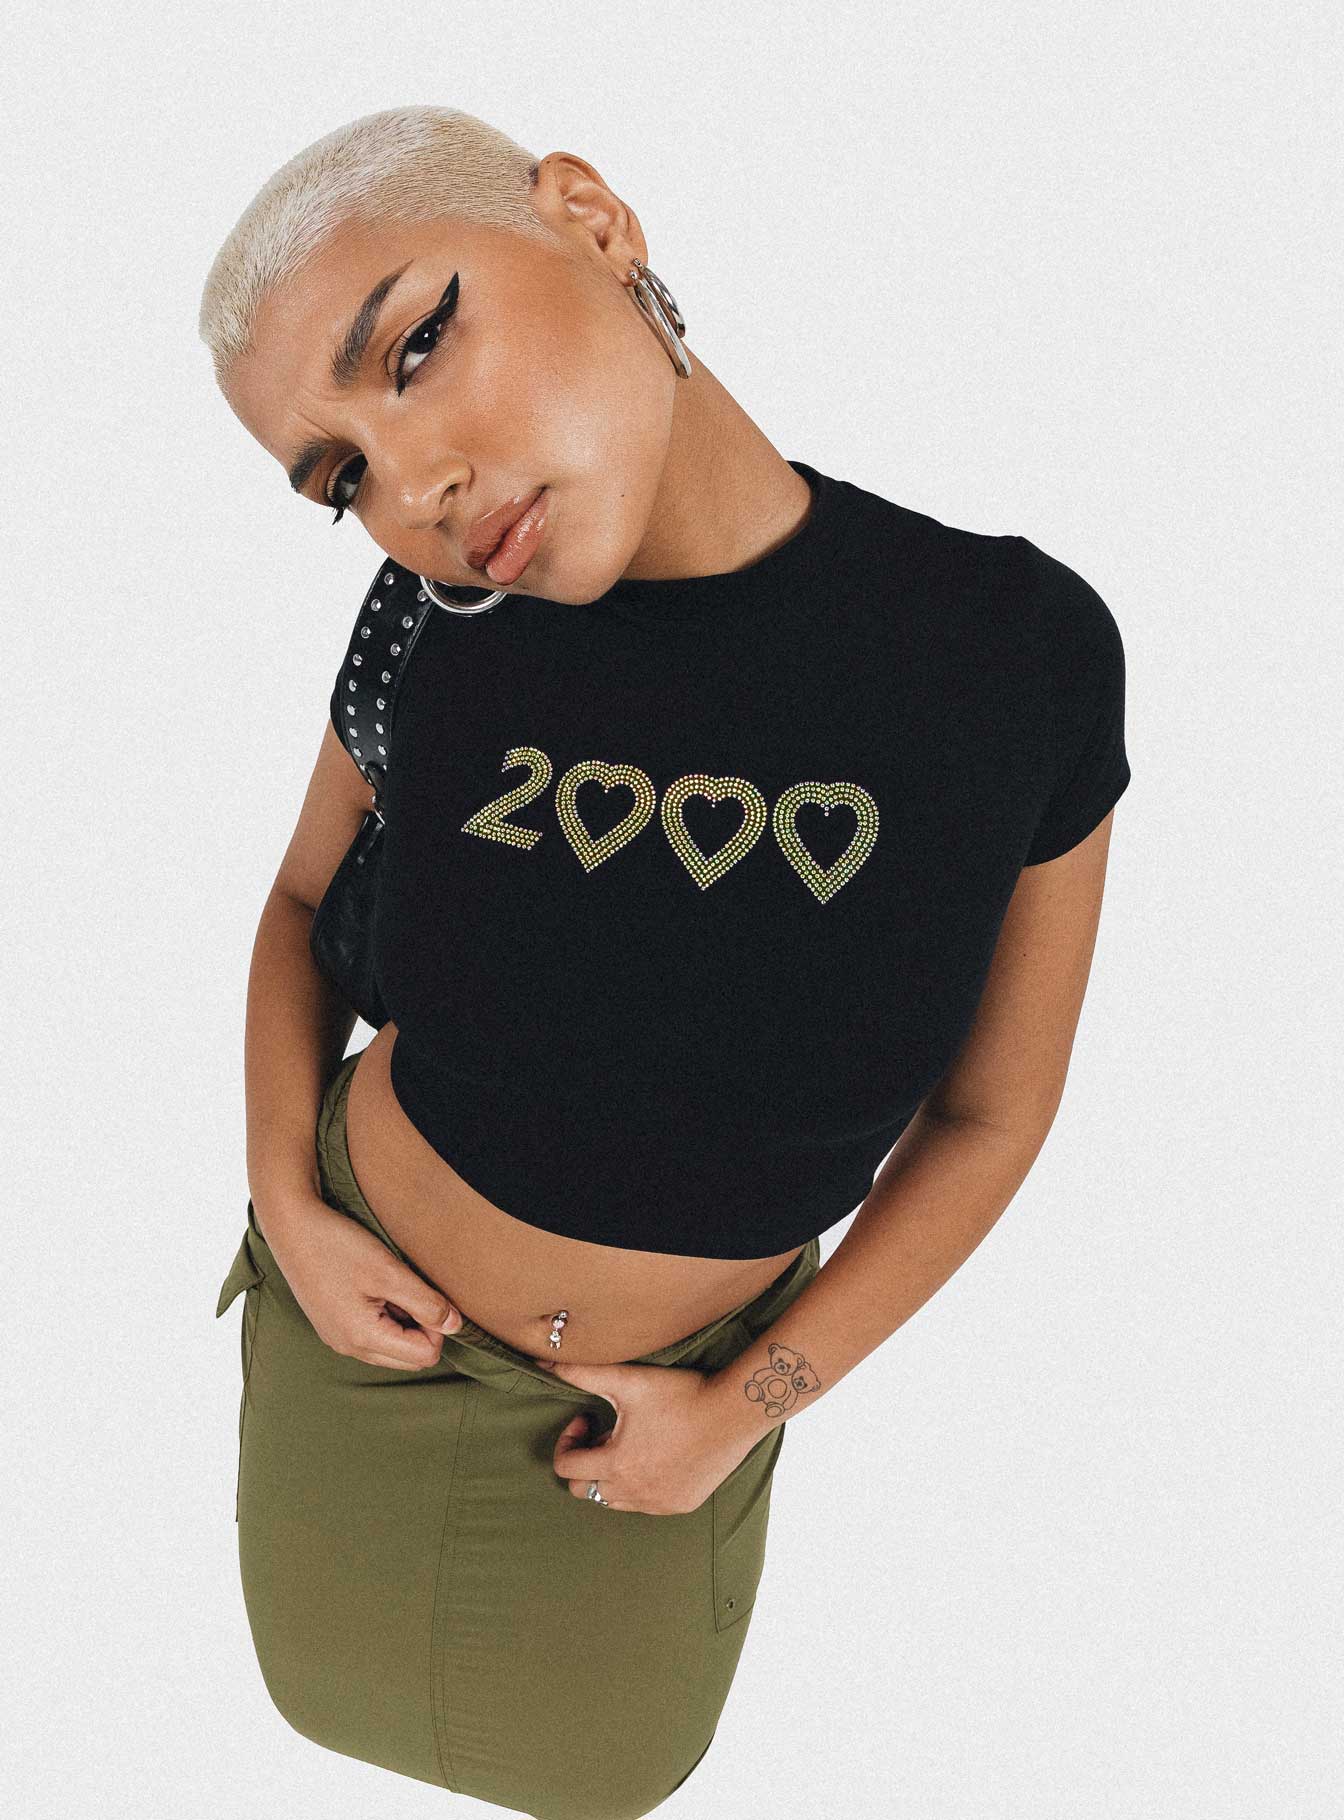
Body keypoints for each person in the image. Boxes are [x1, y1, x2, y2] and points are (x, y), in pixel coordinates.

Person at [200, 105, 1132, 1820]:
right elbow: (296, 912)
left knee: (614, 1775)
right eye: (343, 481)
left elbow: (995, 1116)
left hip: (658, 1432)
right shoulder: (434, 622)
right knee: (300, 1705)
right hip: (355, 1338)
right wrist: (288, 1209)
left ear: (591, 218)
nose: (411, 492)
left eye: (415, 346)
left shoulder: (1012, 653)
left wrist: (750, 1408)